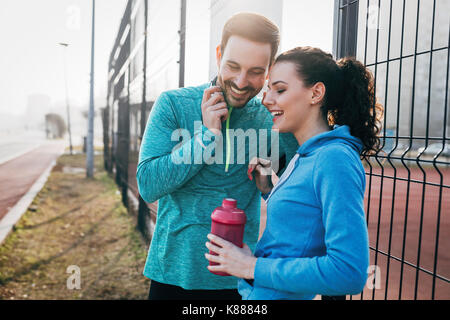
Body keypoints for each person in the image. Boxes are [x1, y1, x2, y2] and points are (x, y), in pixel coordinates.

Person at [137, 13, 298, 300]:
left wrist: (269, 189)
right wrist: (206, 138)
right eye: (233, 66)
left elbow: (299, 195)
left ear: (270, 70)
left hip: (238, 281)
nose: (241, 81)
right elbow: (148, 185)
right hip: (172, 277)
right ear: (219, 55)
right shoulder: (173, 104)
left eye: (255, 71)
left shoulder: (273, 119)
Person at [205, 46, 383, 300]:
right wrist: (269, 190)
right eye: (269, 90)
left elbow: (349, 272)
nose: (266, 99)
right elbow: (304, 221)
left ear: (316, 93)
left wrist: (251, 266)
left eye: (280, 89)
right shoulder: (308, 153)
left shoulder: (334, 158)